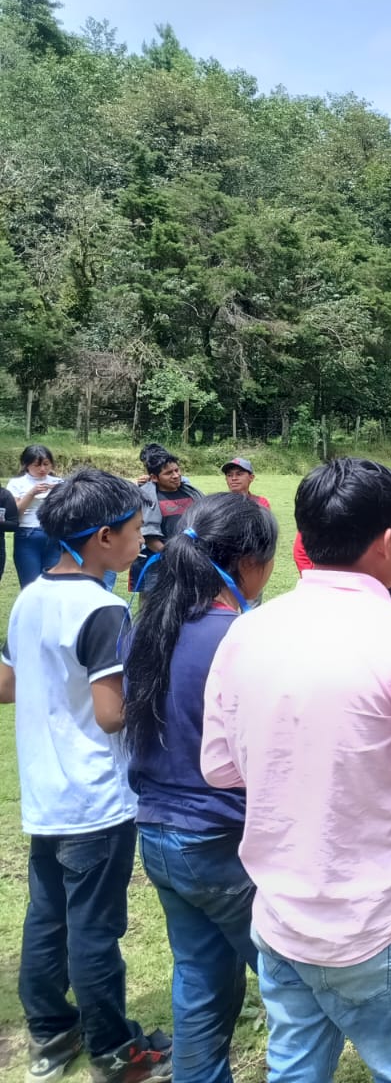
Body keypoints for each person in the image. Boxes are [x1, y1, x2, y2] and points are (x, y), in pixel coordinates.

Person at [201, 458, 391, 1083]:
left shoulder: (246, 632)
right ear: (388, 540)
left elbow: (218, 765)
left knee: (294, 1068)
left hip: (281, 912)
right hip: (379, 917)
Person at [0, 468, 174, 1082]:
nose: (141, 539)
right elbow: (110, 715)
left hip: (45, 793)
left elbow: (5, 686)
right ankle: (115, 1049)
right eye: (135, 530)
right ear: (104, 537)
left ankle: (50, 1033)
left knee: (46, 917)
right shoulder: (103, 609)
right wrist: (154, 685)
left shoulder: (29, 597)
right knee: (95, 930)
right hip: (95, 800)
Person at [124, 493, 277, 1082]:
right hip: (220, 839)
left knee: (198, 974)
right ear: (248, 562)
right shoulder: (241, 637)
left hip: (158, 834)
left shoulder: (148, 627)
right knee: (292, 977)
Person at [132, 451, 203, 594]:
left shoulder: (192, 493)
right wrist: (173, 558)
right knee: (154, 605)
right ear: (154, 477)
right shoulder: (147, 499)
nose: (176, 475)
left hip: (192, 562)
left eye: (177, 470)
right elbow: (149, 536)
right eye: (169, 473)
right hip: (158, 566)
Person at [7, 444, 65, 587]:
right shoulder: (17, 483)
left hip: (53, 535)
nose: (42, 469)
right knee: (30, 584)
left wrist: (59, 492)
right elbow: (14, 513)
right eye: (37, 465)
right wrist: (31, 494)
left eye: (46, 464)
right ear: (26, 465)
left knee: (53, 584)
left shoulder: (59, 482)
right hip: (27, 535)